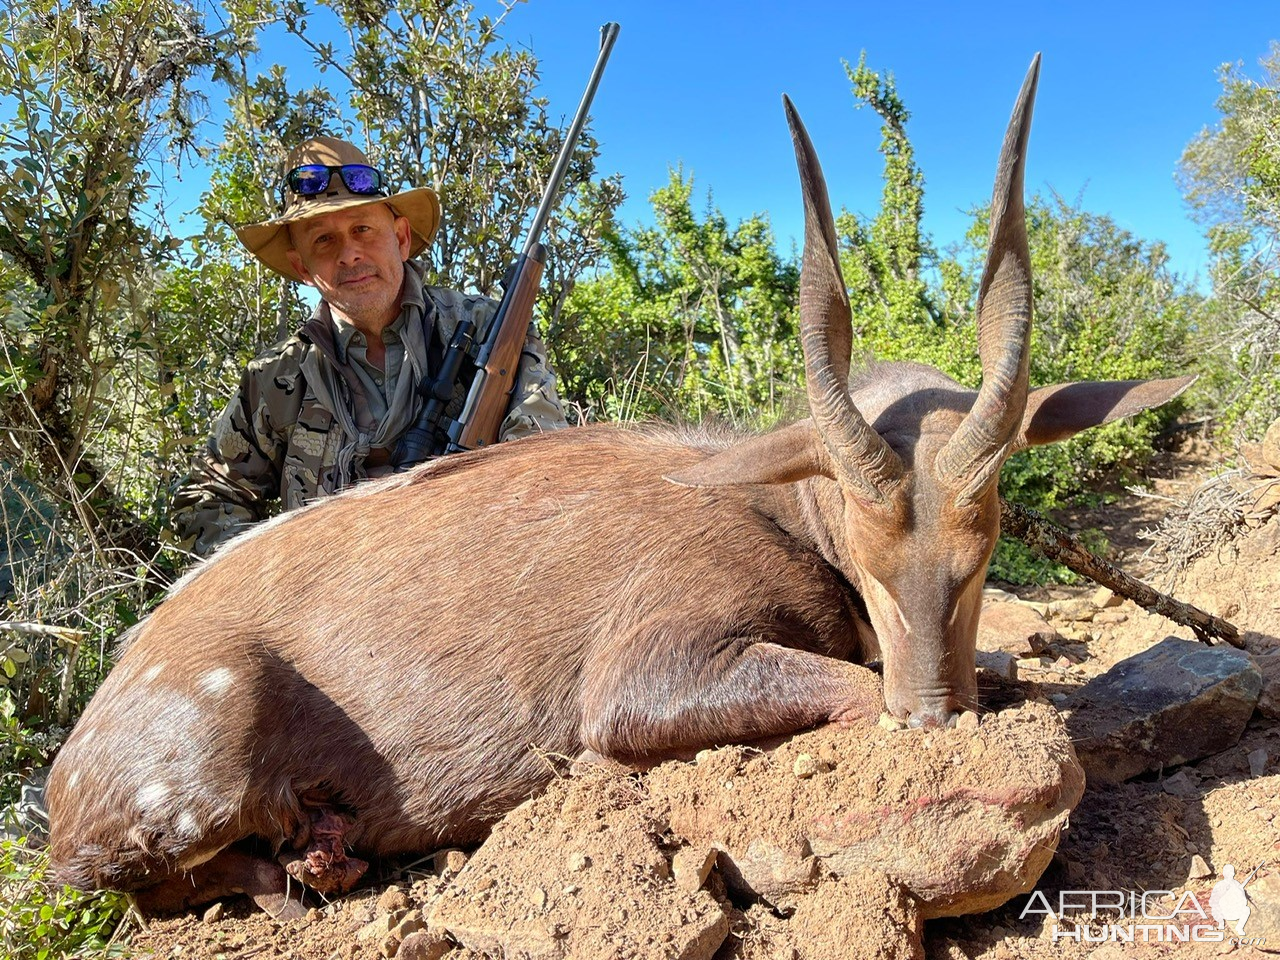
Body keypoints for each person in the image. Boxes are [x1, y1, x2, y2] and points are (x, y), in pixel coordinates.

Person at [172, 136, 568, 557]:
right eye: (323, 240)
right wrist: (280, 586)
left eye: (363, 229)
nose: (349, 254)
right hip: (330, 611)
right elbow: (205, 499)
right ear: (302, 267)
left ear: (399, 237)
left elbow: (545, 464)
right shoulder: (275, 377)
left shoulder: (490, 329)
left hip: (468, 580)